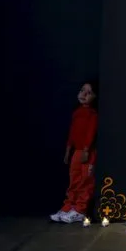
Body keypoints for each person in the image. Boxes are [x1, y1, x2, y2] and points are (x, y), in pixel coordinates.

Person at [50, 81, 99, 223]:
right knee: (74, 180)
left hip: (87, 153)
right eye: (82, 90)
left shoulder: (93, 114)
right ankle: (68, 207)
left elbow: (90, 133)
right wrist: (68, 151)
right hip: (76, 152)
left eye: (89, 93)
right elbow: (72, 133)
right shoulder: (77, 112)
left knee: (85, 181)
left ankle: (79, 210)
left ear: (95, 97)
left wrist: (85, 150)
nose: (84, 94)